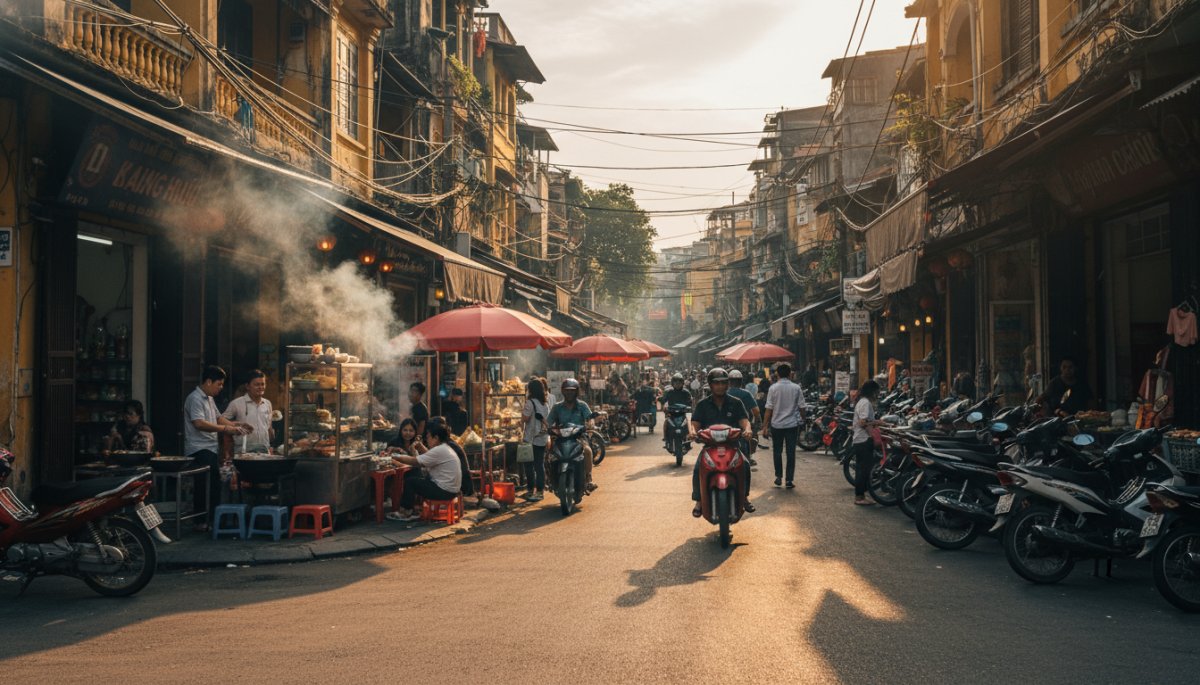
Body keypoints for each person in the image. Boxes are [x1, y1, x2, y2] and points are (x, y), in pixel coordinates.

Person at [183, 365, 248, 526]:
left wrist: (237, 425)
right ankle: (201, 522)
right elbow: (199, 423)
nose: (221, 388)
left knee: (213, 485)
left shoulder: (209, 398)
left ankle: (211, 520)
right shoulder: (195, 399)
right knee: (204, 486)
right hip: (199, 449)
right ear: (208, 381)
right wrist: (227, 429)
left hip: (211, 448)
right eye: (219, 384)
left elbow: (218, 418)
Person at [689, 368, 755, 516]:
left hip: (732, 446)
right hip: (709, 447)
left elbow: (745, 421)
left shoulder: (736, 403)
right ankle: (699, 501)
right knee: (697, 468)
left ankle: (744, 497)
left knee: (745, 465)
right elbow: (695, 423)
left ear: (728, 385)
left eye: (723, 383)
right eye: (716, 383)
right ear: (711, 385)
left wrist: (748, 429)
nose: (720, 386)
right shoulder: (702, 404)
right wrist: (693, 432)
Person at [390, 420, 462, 521]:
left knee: (411, 482)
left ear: (436, 438)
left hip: (444, 491)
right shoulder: (444, 448)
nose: (427, 440)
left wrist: (394, 456)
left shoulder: (440, 450)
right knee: (418, 478)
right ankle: (413, 509)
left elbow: (415, 461)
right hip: (451, 490)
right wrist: (420, 447)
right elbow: (430, 456)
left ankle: (405, 512)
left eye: (428, 437)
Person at [548, 378, 596, 493]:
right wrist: (545, 427)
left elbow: (590, 419)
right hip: (561, 438)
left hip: (579, 437)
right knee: (550, 455)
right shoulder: (557, 407)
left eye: (572, 391)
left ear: (576, 392)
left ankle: (588, 478)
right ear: (563, 391)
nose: (569, 393)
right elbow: (548, 421)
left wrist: (590, 424)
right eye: (567, 390)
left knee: (588, 451)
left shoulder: (582, 406)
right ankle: (549, 480)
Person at [763, 362, 806, 489]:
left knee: (777, 451)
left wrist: (765, 425)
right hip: (792, 425)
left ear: (777, 374)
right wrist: (803, 419)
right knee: (790, 452)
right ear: (789, 374)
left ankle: (778, 476)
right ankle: (789, 480)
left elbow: (769, 409)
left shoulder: (773, 388)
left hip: (776, 425)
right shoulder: (796, 388)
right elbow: (802, 407)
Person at [222, 370, 274, 454]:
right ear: (247, 386)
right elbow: (221, 421)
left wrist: (271, 444)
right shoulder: (236, 403)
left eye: (263, 384)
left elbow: (268, 427)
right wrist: (235, 425)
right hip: (243, 451)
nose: (261, 387)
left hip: (264, 450)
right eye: (257, 384)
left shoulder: (267, 404)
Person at [852, 380, 883, 506]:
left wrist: (877, 421)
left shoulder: (862, 401)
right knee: (863, 469)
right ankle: (859, 497)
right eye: (876, 392)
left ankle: (861, 495)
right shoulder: (865, 403)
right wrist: (877, 423)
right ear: (872, 391)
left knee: (862, 468)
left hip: (860, 439)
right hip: (863, 439)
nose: (877, 394)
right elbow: (863, 422)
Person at [521, 379, 551, 501]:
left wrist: (522, 416)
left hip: (530, 438)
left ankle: (530, 490)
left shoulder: (530, 403)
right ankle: (540, 491)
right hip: (542, 438)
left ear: (531, 390)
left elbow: (526, 419)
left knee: (528, 465)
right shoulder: (545, 404)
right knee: (539, 465)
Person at [726, 370, 761, 466]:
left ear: (729, 381)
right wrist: (757, 422)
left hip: (725, 428)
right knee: (746, 448)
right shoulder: (746, 394)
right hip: (742, 428)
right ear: (741, 381)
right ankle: (748, 459)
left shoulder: (724, 393)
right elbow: (756, 411)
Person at [659, 373, 694, 445]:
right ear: (672, 383)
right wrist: (663, 406)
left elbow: (690, 402)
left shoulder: (686, 392)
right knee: (666, 421)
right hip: (672, 413)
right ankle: (665, 437)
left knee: (689, 422)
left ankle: (690, 436)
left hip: (683, 413)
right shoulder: (669, 392)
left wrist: (690, 408)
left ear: (682, 383)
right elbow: (663, 400)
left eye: (679, 382)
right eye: (675, 382)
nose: (677, 384)